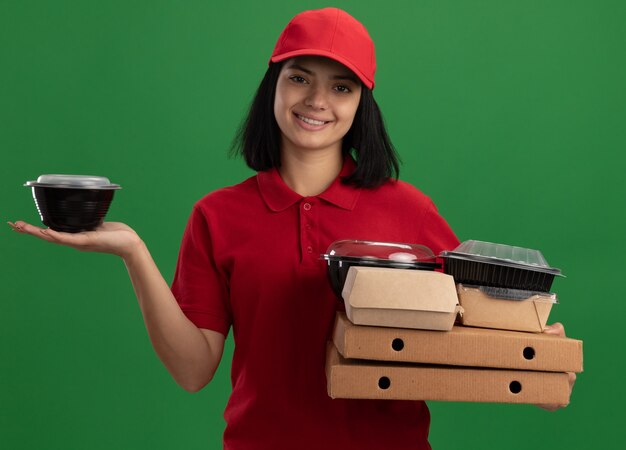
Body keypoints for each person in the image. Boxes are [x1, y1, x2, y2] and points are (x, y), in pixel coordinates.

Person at [9, 7, 575, 450]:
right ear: (273, 87)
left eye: (341, 87)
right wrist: (132, 250)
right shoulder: (217, 216)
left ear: (362, 105)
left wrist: (537, 359)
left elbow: (473, 323)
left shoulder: (407, 210)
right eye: (299, 78)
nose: (316, 101)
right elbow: (192, 369)